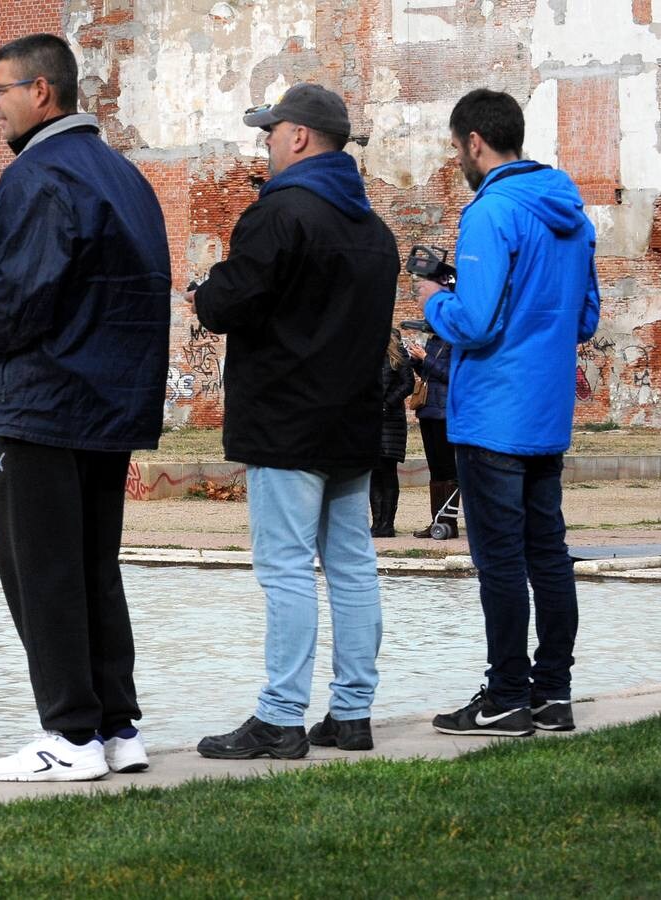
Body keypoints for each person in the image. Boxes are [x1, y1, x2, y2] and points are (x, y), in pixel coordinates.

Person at [0, 33, 171, 782]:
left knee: (40, 571)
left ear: (42, 91)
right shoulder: (125, 177)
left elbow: (21, 298)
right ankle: (116, 727)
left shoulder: (38, 175)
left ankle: (69, 735)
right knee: (91, 568)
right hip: (109, 406)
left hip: (45, 404)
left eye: (1, 89)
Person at [191, 83, 399, 759]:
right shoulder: (372, 229)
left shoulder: (279, 214)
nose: (266, 143)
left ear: (300, 137)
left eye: (270, 132)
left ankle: (280, 715)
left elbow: (233, 302)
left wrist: (207, 290)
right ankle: (351, 713)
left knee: (284, 569)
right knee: (351, 565)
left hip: (285, 420)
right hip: (350, 420)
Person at [419, 88, 601, 737]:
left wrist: (431, 302)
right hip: (545, 414)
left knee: (498, 560)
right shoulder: (573, 217)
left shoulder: (489, 212)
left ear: (473, 142)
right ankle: (552, 693)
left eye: (455, 148)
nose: (457, 159)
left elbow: (472, 319)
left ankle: (504, 696)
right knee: (547, 554)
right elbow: (584, 319)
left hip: (492, 412)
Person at [407, 331, 457, 538]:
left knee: (447, 469)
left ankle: (449, 522)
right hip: (427, 409)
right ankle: (437, 520)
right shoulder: (433, 340)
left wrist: (425, 358)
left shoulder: (454, 340)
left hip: (444, 411)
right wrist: (415, 360)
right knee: (435, 469)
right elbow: (427, 374)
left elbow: (451, 375)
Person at [370, 329, 415, 538]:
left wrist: (388, 404)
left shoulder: (398, 353)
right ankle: (376, 522)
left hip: (390, 421)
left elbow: (408, 384)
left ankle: (387, 523)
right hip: (370, 420)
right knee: (372, 473)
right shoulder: (367, 353)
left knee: (387, 471)